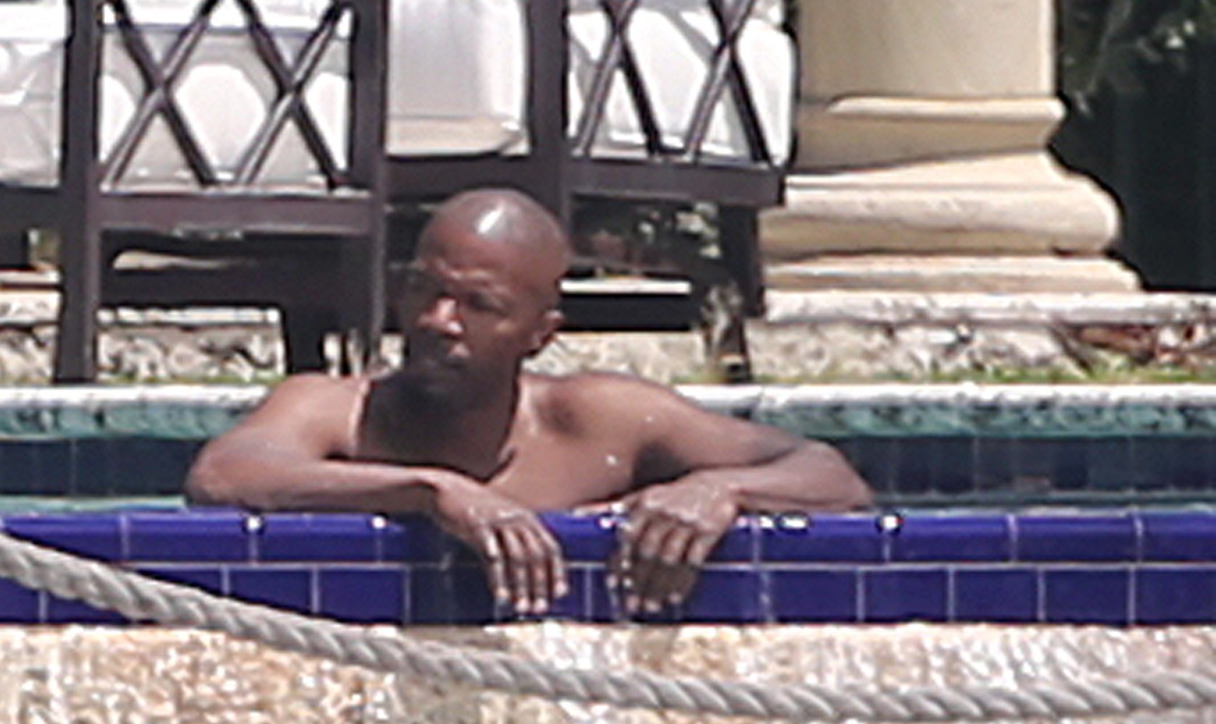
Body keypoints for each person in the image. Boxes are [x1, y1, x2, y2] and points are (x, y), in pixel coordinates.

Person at [186, 189, 872, 615]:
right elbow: (223, 476)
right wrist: (430, 491)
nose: (438, 320)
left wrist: (720, 491)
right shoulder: (336, 410)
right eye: (426, 289)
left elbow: (832, 479)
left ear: (541, 334)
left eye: (479, 305)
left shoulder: (600, 421)